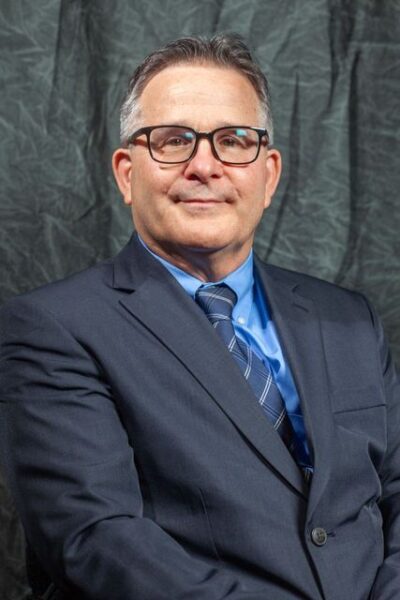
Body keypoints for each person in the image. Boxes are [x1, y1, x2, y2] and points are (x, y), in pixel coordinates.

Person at [0, 34, 399, 600]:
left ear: (269, 174)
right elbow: (98, 539)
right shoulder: (53, 329)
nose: (204, 166)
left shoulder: (349, 319)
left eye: (234, 141)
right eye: (172, 141)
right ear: (125, 172)